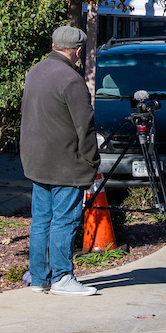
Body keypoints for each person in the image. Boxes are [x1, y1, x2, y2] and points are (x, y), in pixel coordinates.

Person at [20, 25, 101, 295]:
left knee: (41, 220)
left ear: (54, 45)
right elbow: (85, 127)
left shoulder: (35, 71)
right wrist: (92, 161)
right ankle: (62, 277)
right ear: (77, 51)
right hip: (66, 164)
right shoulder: (71, 80)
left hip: (36, 161)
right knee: (65, 220)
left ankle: (39, 278)